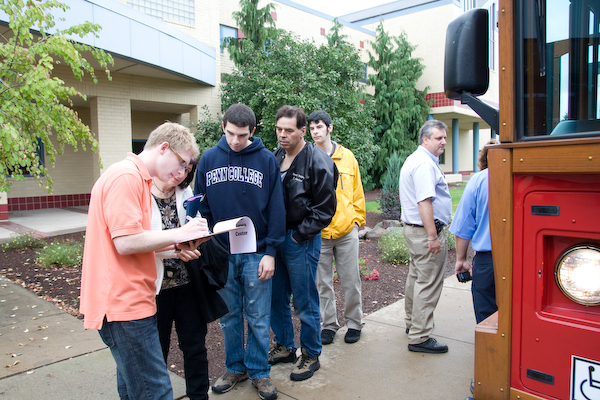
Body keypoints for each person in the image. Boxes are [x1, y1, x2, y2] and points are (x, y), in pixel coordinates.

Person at [80, 122, 210, 400]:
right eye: (182, 162)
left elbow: (134, 240)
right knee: (156, 391)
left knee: (133, 389)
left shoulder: (137, 178)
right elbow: (125, 242)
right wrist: (182, 233)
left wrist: (178, 245)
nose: (182, 171)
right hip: (124, 304)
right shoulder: (126, 177)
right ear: (164, 148)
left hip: (132, 302)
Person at [194, 103, 285, 400]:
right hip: (221, 251)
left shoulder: (266, 160)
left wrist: (271, 251)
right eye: (231, 133)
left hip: (257, 252)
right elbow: (201, 205)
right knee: (229, 315)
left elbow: (276, 208)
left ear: (253, 131)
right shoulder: (208, 160)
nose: (235, 140)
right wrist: (205, 240)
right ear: (223, 126)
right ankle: (235, 368)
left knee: (258, 315)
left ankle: (259, 371)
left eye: (242, 135)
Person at [269, 105, 338, 381]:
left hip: (301, 239)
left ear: (302, 131)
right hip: (276, 239)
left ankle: (311, 354)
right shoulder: (275, 157)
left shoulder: (318, 161)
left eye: (288, 130)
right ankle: (285, 346)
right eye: (279, 129)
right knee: (276, 297)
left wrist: (299, 236)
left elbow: (325, 209)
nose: (282, 135)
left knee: (305, 300)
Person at [151, 160, 212, 400]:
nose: (181, 174)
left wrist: (197, 237)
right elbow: (137, 241)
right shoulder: (142, 193)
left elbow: (192, 227)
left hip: (187, 282)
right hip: (156, 288)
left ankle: (199, 396)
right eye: (180, 167)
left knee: (195, 346)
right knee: (157, 350)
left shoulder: (185, 192)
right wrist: (176, 248)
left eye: (187, 170)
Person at [308, 110, 366, 345]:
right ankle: (329, 325)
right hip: (319, 233)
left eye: (319, 127)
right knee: (323, 283)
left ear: (329, 128)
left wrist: (357, 221)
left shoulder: (347, 157)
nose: (315, 132)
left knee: (351, 280)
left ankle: (354, 323)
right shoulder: (307, 157)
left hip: (346, 230)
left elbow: (357, 191)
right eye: (312, 128)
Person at [399, 119, 452, 354]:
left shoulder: (418, 160)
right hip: (424, 232)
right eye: (438, 138)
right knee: (428, 282)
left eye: (444, 137)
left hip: (415, 230)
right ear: (425, 139)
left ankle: (413, 323)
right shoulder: (423, 164)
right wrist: (433, 236)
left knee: (417, 277)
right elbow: (424, 201)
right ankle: (420, 336)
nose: (443, 142)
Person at [449, 139, 498, 324]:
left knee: (487, 317)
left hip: (488, 261)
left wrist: (461, 259)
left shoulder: (478, 180)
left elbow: (463, 226)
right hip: (524, 260)